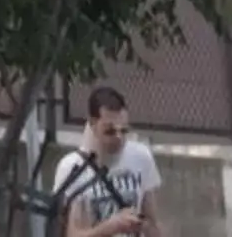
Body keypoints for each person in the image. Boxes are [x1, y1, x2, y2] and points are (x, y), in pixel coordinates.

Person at [55, 87, 163, 237]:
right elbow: (71, 233)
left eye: (124, 131)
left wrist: (142, 225)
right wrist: (110, 228)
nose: (119, 138)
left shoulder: (141, 157)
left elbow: (152, 221)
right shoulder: (72, 167)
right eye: (110, 132)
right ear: (93, 124)